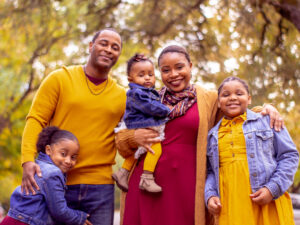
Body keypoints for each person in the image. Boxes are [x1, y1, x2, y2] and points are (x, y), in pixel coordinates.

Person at [115, 45, 284, 225]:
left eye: (179, 67)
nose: (173, 74)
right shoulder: (148, 99)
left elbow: (237, 113)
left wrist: (264, 110)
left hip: (188, 188)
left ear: (190, 66)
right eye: (166, 70)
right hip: (146, 186)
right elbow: (121, 142)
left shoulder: (209, 99)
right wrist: (135, 137)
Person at [20, 28, 126, 225]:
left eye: (115, 47)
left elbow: (131, 136)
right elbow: (36, 119)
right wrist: (27, 160)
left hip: (100, 187)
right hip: (56, 180)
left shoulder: (122, 96)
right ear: (90, 46)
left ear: (118, 55)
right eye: (103, 43)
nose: (109, 49)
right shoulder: (60, 78)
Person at [205, 76, 299, 225]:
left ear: (249, 99)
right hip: (231, 207)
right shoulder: (212, 135)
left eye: (239, 93)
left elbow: (289, 156)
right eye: (226, 95)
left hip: (267, 203)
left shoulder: (268, 121)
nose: (232, 98)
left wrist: (272, 188)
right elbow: (210, 171)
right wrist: (210, 195)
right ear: (218, 102)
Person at [1, 126, 92, 225]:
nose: (68, 161)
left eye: (73, 157)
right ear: (48, 150)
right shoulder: (53, 173)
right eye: (63, 154)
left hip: (13, 219)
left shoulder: (38, 165)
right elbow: (59, 211)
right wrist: (79, 218)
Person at [112, 53, 170, 193]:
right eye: (141, 75)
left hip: (142, 123)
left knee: (139, 150)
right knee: (155, 147)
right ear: (130, 79)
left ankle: (123, 172)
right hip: (139, 124)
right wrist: (166, 110)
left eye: (150, 74)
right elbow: (149, 107)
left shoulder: (149, 92)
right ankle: (147, 178)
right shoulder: (137, 93)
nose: (147, 78)